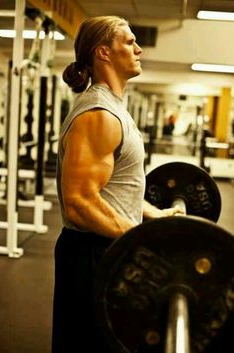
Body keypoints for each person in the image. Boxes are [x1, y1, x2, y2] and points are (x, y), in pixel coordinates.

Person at [51, 15, 183, 353]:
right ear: (103, 53)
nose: (138, 48)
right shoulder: (99, 114)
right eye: (129, 41)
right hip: (92, 253)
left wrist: (156, 216)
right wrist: (141, 239)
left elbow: (112, 189)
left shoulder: (113, 109)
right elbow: (80, 203)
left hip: (106, 247)